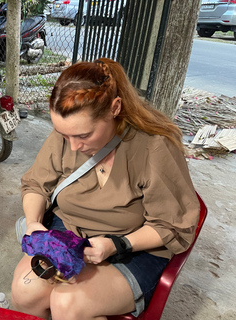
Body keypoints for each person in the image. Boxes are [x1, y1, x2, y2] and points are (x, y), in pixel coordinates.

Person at [11, 57, 200, 319]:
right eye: (65, 135)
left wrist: (116, 245)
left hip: (132, 247)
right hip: (69, 234)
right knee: (24, 292)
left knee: (68, 303)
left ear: (115, 108)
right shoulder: (66, 136)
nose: (73, 146)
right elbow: (35, 185)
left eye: (84, 136)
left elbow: (173, 227)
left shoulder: (154, 148)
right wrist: (33, 223)